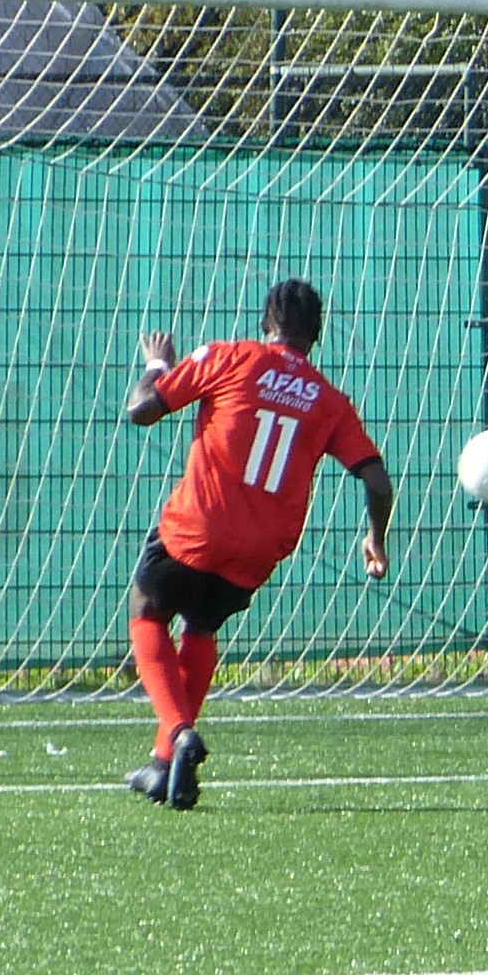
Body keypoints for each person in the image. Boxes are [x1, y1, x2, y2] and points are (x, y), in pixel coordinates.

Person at [122, 278, 393, 808]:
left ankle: (178, 732)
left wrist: (158, 365)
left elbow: (141, 410)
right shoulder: (330, 400)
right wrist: (375, 539)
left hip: (198, 526)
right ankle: (163, 766)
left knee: (147, 610)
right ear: (316, 335)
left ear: (266, 322)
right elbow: (377, 479)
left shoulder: (229, 358)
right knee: (200, 624)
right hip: (261, 549)